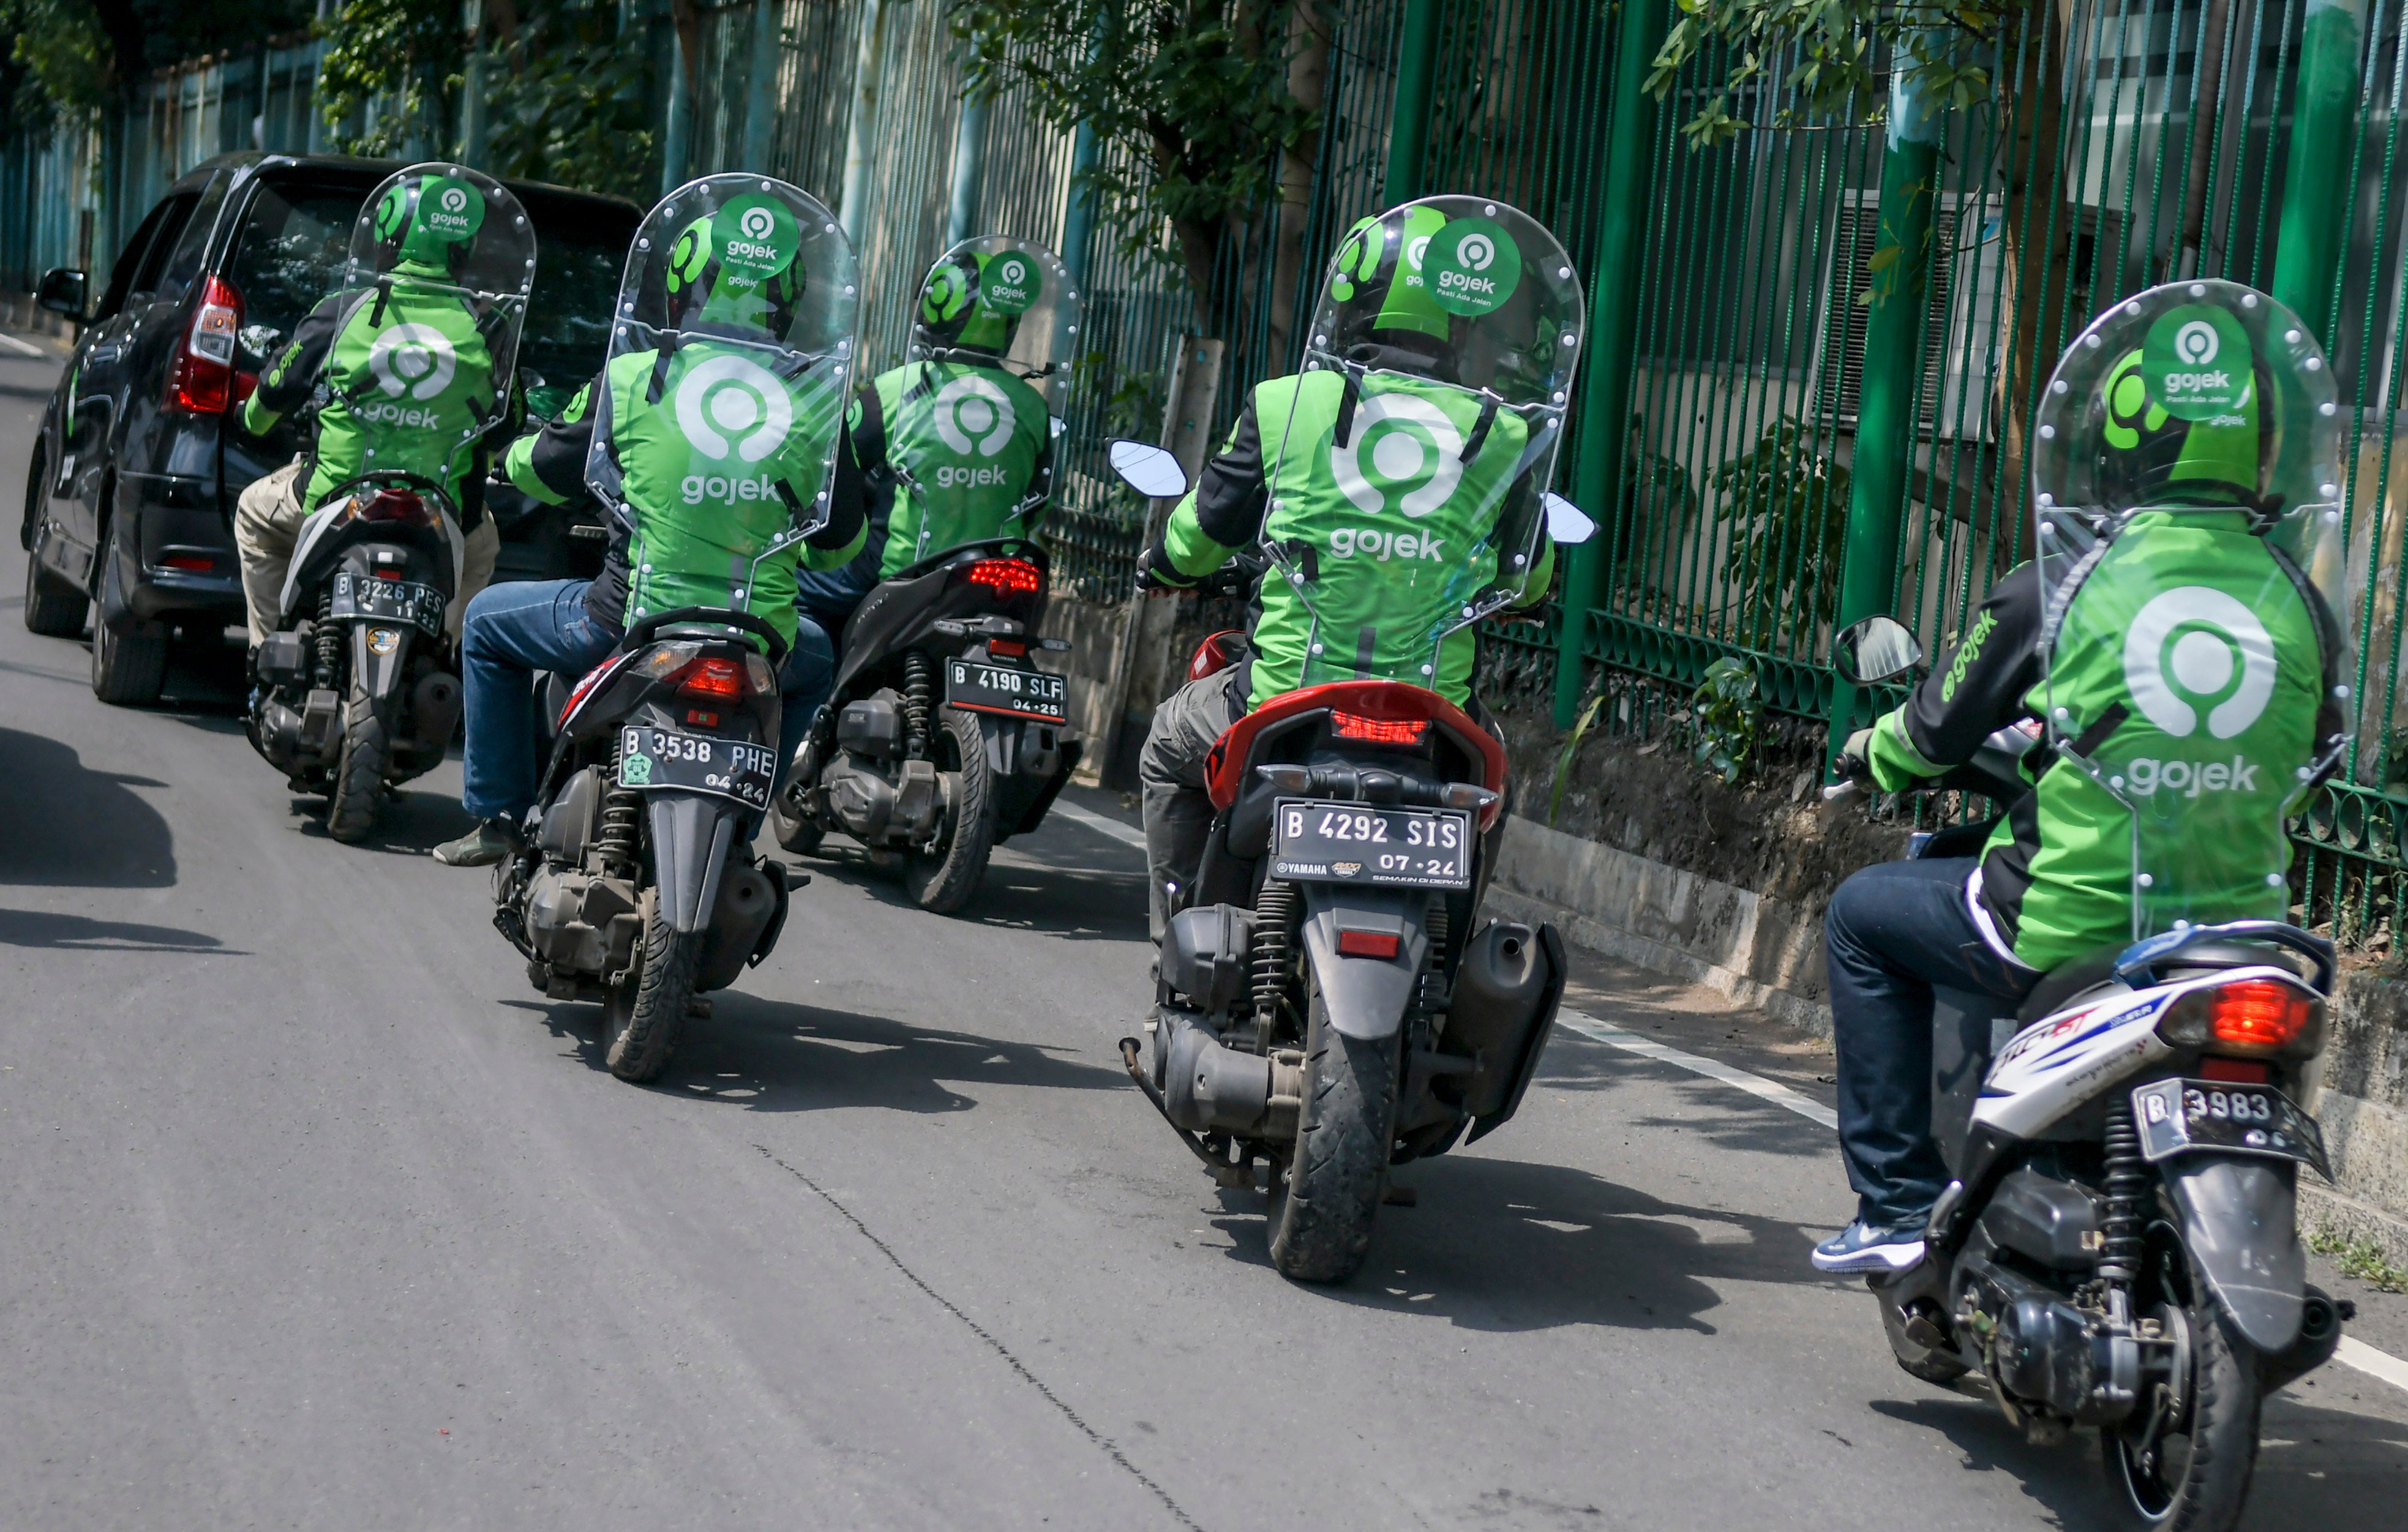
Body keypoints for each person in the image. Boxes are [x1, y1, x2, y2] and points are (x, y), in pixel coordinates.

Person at [1812, 284, 2349, 1274]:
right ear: (2260, 446)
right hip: (2237, 934)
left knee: (1859, 916)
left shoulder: (2062, 583)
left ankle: (1893, 1205)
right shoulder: (2300, 601)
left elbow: (1931, 736)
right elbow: (2308, 771)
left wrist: (1865, 754)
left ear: (2119, 440)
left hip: (2067, 928)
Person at [1134, 203, 1572, 942]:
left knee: (1166, 744)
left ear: (1354, 301)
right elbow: (1527, 579)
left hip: (1282, 701)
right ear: (1462, 321)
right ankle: (1452, 953)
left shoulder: (1286, 405)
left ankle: (1179, 947)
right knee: (1489, 784)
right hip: (1431, 717)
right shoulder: (1504, 435)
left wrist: (1166, 565)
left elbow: (1203, 532)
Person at [432, 187, 864, 867]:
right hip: (762, 636)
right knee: (815, 667)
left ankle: (499, 817)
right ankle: (745, 828)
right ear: (791, 296)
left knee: (485, 623)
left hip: (624, 619)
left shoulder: (633, 378)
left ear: (682, 284)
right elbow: (844, 545)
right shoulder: (815, 403)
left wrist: (511, 458)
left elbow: (543, 469)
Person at [235, 167, 515, 652]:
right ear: (462, 250)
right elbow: (504, 426)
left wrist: (251, 420)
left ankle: (266, 650)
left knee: (253, 515)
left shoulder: (343, 310)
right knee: (482, 546)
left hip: (335, 497)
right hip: (444, 511)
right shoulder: (492, 329)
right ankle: (444, 654)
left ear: (385, 239)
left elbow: (271, 399)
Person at [787, 241, 1058, 727]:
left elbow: (834, 472)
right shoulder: (1035, 407)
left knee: (798, 591)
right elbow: (1037, 502)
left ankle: (814, 717)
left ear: (936, 311)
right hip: (999, 568)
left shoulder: (895, 390)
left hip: (900, 568)